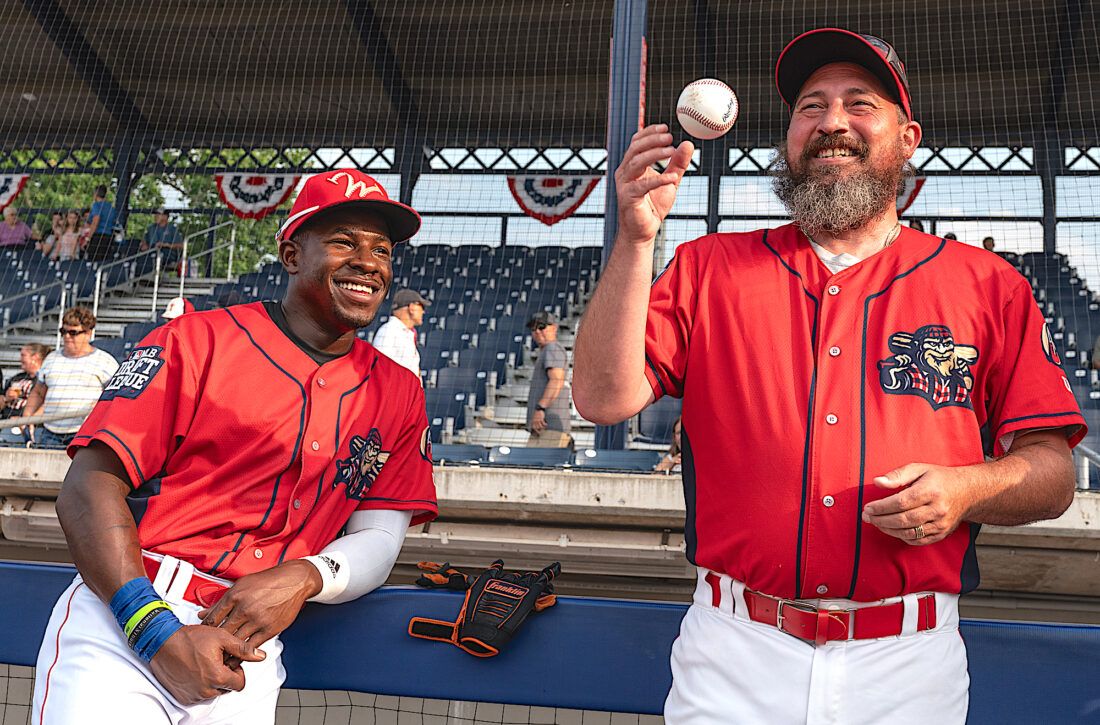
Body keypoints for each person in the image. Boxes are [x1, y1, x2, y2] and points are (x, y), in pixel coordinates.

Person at [572, 28, 1083, 725]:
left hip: (907, 661)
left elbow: (1052, 473)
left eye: (859, 103)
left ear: (908, 138)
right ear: (790, 137)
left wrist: (970, 487)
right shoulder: (708, 266)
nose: (832, 121)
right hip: (734, 650)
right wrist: (635, 239)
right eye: (810, 106)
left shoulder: (988, 286)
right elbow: (602, 397)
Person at [32, 169, 437, 725]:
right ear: (292, 255)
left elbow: (379, 539)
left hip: (250, 646)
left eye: (382, 250)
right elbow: (86, 490)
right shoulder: (194, 341)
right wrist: (153, 631)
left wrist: (306, 575)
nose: (369, 261)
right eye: (344, 241)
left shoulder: (398, 392)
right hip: (130, 616)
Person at [22, 307, 119, 449]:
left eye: (73, 333)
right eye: (64, 332)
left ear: (88, 334)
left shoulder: (105, 361)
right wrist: (27, 417)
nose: (67, 337)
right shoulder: (51, 359)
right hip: (50, 432)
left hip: (85, 432)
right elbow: (38, 392)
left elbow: (116, 396)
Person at [526, 311, 572, 447]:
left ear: (554, 327)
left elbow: (556, 381)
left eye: (542, 327)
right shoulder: (548, 350)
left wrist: (540, 409)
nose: (537, 332)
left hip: (550, 427)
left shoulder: (552, 348)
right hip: (544, 429)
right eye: (533, 329)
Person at [371, 288, 429, 381]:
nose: (423, 311)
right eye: (422, 307)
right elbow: (379, 371)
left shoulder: (405, 332)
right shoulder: (388, 331)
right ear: (412, 308)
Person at [0, 343, 51, 446]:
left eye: (23, 355)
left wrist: (27, 420)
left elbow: (48, 404)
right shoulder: (16, 378)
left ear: (35, 357)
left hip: (33, 428)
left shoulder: (45, 379)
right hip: (6, 425)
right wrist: (6, 398)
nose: (20, 359)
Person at [84, 184, 118, 261]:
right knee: (104, 260)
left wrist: (88, 238)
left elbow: (96, 220)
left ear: (95, 194)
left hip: (98, 236)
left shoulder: (97, 205)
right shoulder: (111, 207)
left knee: (93, 260)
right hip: (108, 236)